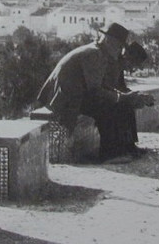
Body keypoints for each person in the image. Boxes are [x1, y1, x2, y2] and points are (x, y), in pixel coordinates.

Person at [36, 23, 153, 163]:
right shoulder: (94, 54)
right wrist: (120, 98)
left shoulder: (98, 52)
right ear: (109, 41)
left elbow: (101, 86)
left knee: (121, 103)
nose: (120, 51)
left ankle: (127, 147)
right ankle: (109, 155)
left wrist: (123, 97)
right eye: (119, 46)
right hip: (63, 99)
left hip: (72, 95)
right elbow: (95, 90)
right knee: (108, 107)